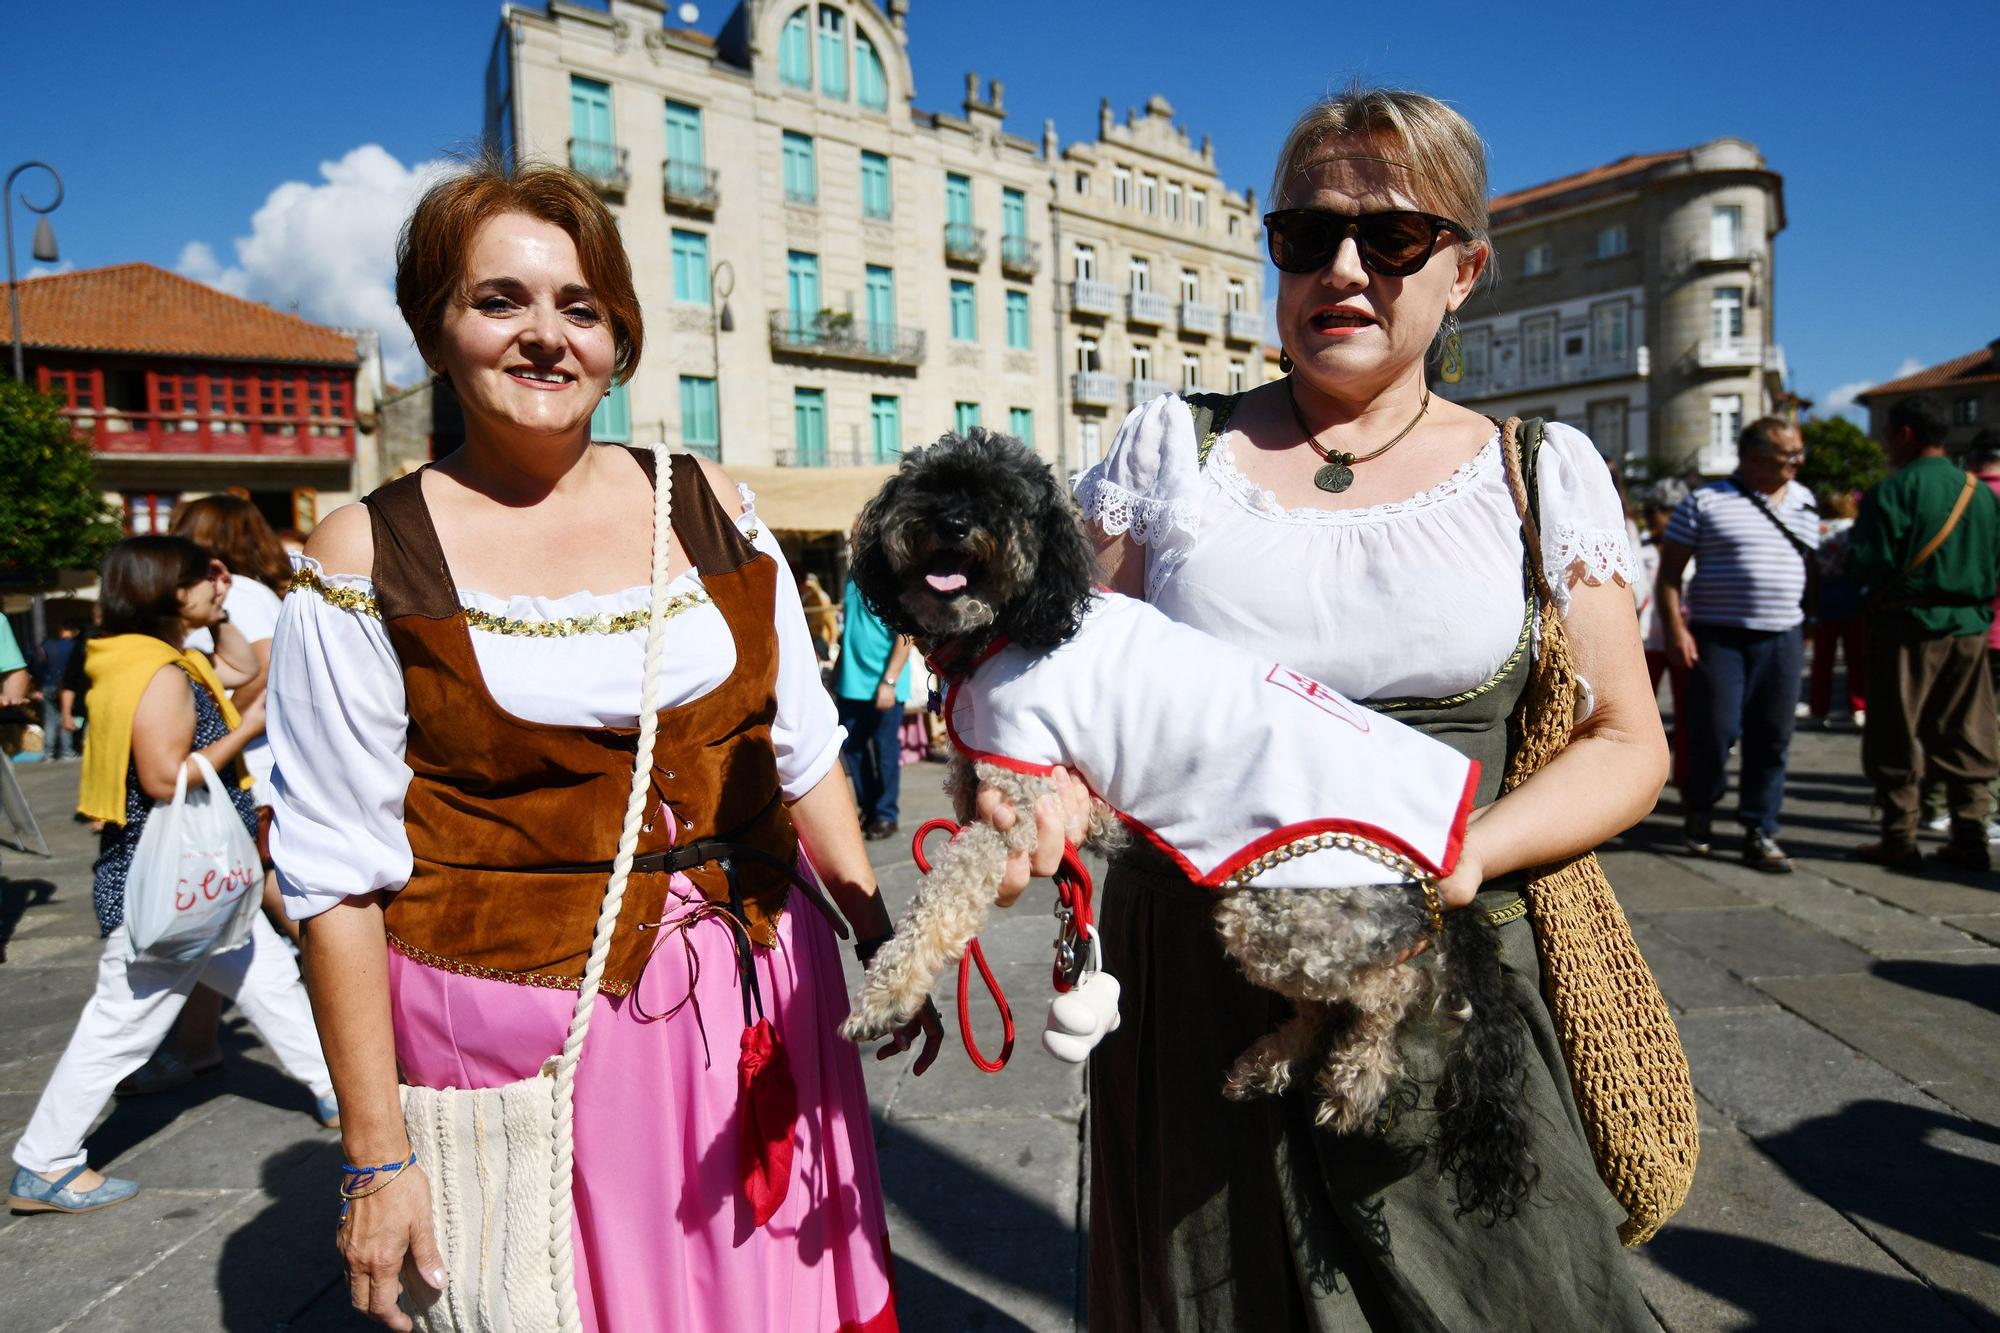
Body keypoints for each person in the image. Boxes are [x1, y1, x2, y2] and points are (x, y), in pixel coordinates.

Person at [991, 87, 1666, 1329]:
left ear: (1462, 270)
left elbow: (1625, 740)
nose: (1342, 268)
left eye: (1391, 238)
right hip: (1197, 972)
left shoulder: (1533, 471)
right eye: (1304, 237)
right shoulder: (1168, 452)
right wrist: (1042, 792)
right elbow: (1065, 696)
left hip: (1448, 961)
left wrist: (1465, 855)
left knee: (1499, 1295)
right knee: (1228, 1298)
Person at [268, 158, 936, 1331]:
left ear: (619, 337)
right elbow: (332, 879)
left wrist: (883, 934)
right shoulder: (369, 553)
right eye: (499, 301)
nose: (545, 336)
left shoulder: (707, 504)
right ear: (435, 332)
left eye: (579, 307)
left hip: (758, 997)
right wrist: (375, 1161)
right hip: (530, 1053)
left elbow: (800, 744)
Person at [7, 537, 333, 1216]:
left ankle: (336, 1089)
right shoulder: (159, 674)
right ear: (165, 590)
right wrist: (248, 729)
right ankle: (45, 1162)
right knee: (120, 1024)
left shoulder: (152, 655)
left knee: (268, 977)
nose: (220, 585)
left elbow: (239, 662)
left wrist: (215, 614)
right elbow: (163, 777)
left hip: (199, 883)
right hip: (168, 885)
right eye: (203, 579)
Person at [114, 496, 300, 1098]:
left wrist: (234, 731)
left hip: (234, 782)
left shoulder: (186, 647)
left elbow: (250, 671)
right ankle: (201, 1047)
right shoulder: (167, 660)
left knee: (261, 920)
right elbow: (248, 674)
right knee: (247, 932)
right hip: (226, 786)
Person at [1656, 417, 1819, 872]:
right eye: (1789, 454)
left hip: (1783, 636)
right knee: (1715, 731)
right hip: (1718, 637)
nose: (1798, 462)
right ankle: (1701, 808)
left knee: (1773, 736)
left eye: (1798, 454)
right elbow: (1669, 577)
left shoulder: (1805, 500)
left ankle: (1759, 828)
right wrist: (1676, 629)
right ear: (1754, 456)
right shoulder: (1704, 502)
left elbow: (1810, 566)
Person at [1847, 395, 2000, 871]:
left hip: (1907, 626)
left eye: (1889, 433)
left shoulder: (1893, 491)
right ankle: (1970, 834)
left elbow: (1865, 563)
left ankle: (1900, 835)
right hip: (1971, 626)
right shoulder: (1980, 492)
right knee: (1969, 729)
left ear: (1906, 435)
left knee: (1897, 728)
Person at [833, 566, 914, 840]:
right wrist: (838, 670)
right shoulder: (852, 577)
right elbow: (851, 629)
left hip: (883, 682)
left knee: (885, 750)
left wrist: (890, 681)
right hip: (851, 681)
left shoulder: (892, 576)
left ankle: (886, 814)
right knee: (853, 749)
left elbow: (907, 634)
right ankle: (868, 808)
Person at [1809, 491, 1868, 729]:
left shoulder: (1816, 530)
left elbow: (1811, 569)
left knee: (1822, 662)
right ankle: (1858, 706)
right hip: (1853, 600)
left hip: (1824, 600)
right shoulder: (1855, 530)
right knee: (1856, 660)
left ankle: (1819, 709)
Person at [36, 625, 83, 760]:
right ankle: (66, 751)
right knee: (66, 715)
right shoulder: (74, 646)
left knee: (50, 719)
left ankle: (49, 752)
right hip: (65, 686)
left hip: (47, 684)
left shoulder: (47, 645)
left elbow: (37, 664)